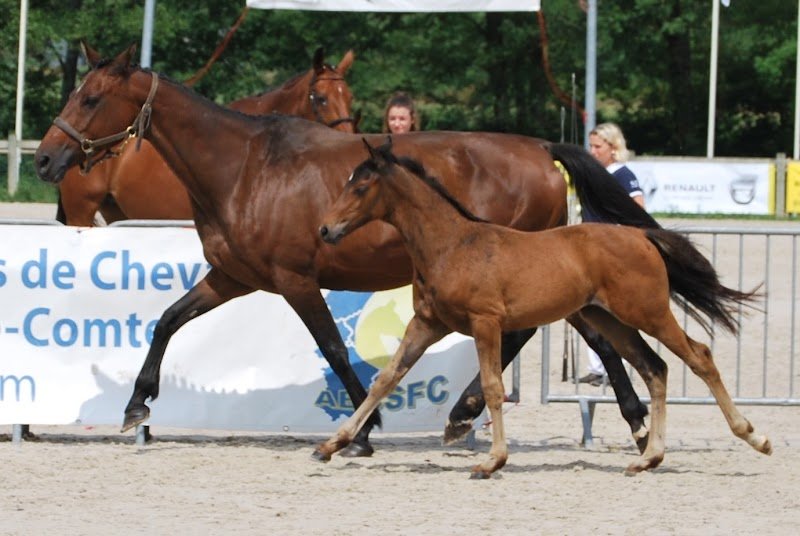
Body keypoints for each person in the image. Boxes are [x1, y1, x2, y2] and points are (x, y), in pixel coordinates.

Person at [578, 122, 646, 386]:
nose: (592, 151)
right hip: (591, 249)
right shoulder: (597, 174)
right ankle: (598, 366)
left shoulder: (622, 175)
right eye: (591, 146)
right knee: (589, 308)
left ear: (613, 148)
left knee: (613, 309)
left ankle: (613, 365)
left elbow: (638, 207)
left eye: (598, 146)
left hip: (609, 250)